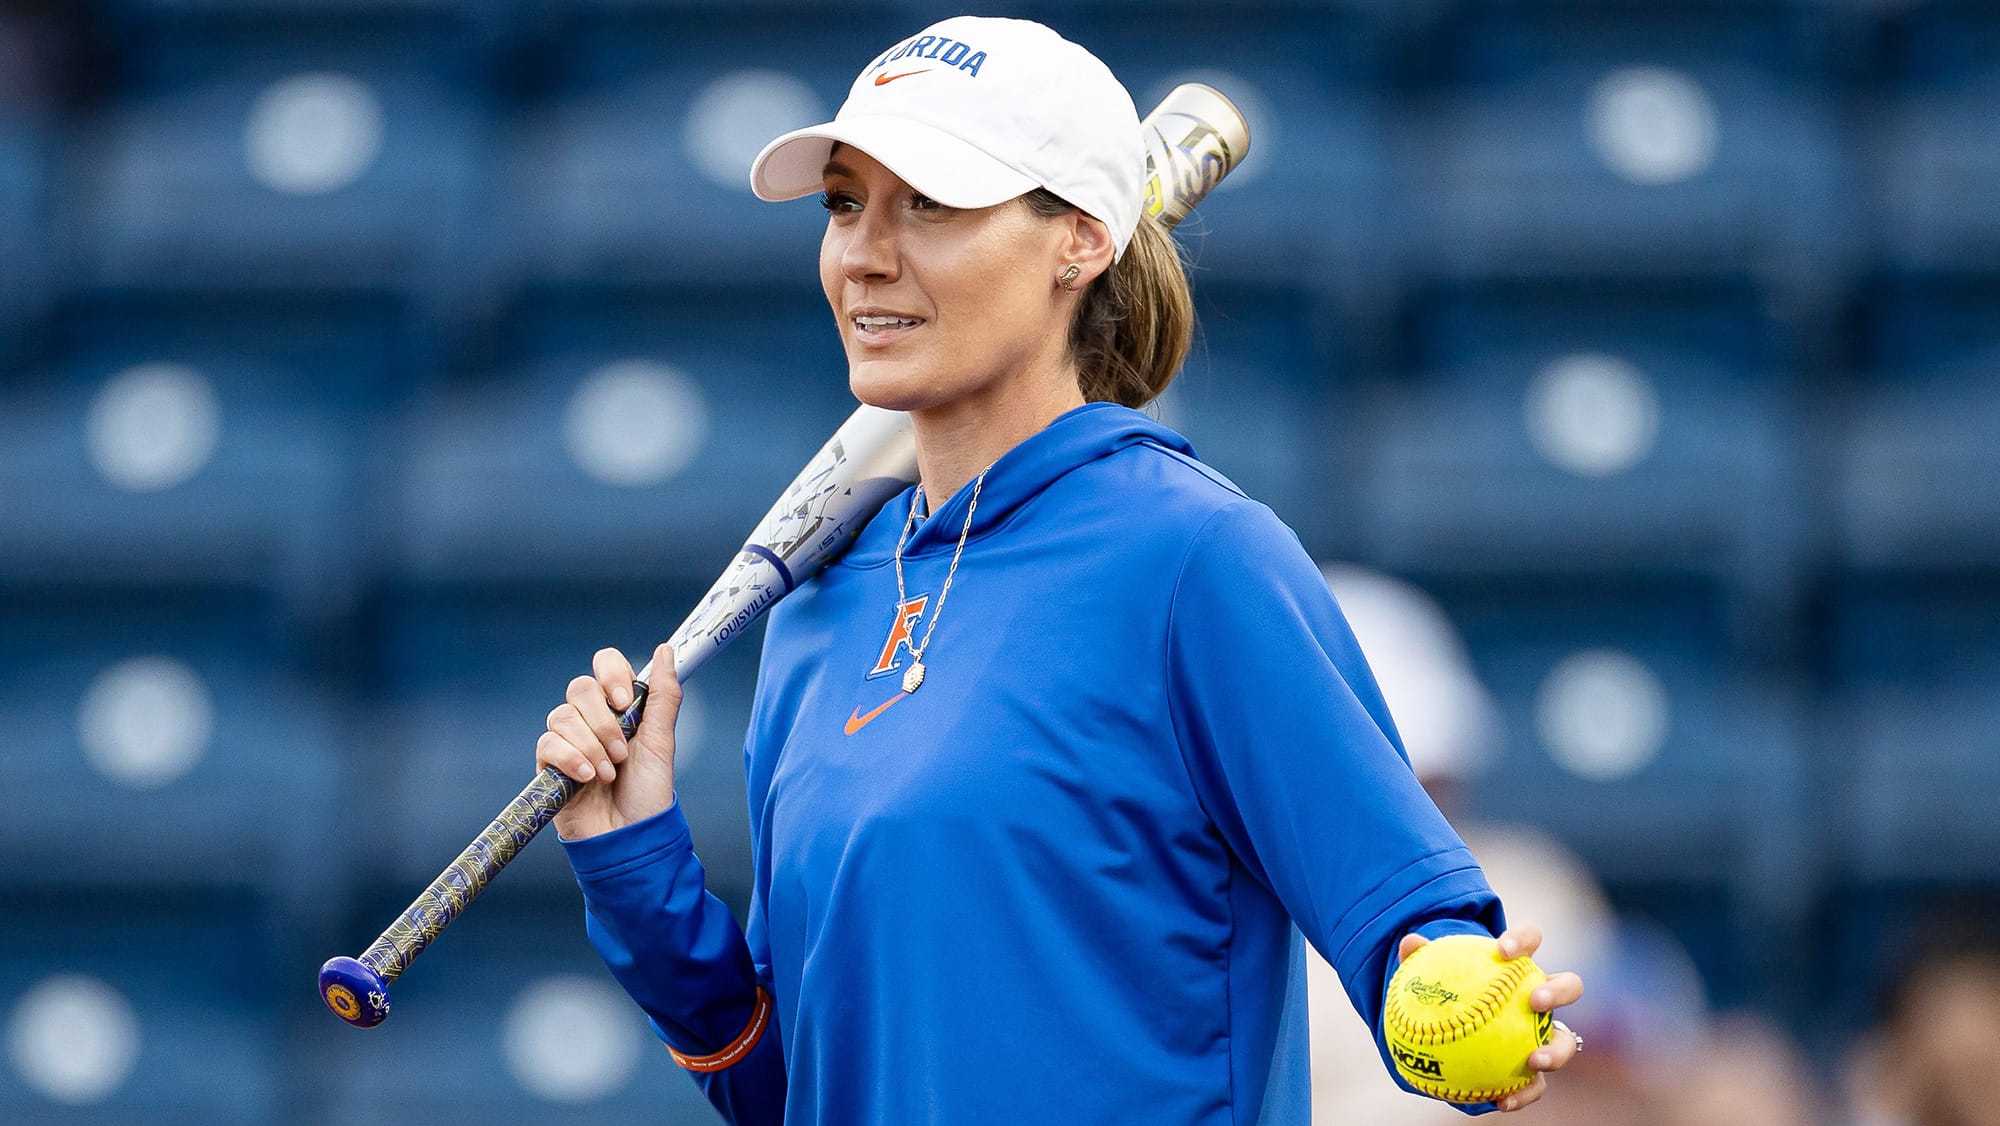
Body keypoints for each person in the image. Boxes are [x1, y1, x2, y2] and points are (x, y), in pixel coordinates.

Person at [533, 15, 1583, 1124]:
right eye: (846, 203)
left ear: (1079, 241)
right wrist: (635, 871)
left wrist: (1451, 987)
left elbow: (1407, 928)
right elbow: (801, 1087)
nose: (865, 253)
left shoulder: (1194, 561)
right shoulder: (819, 611)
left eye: (929, 203)